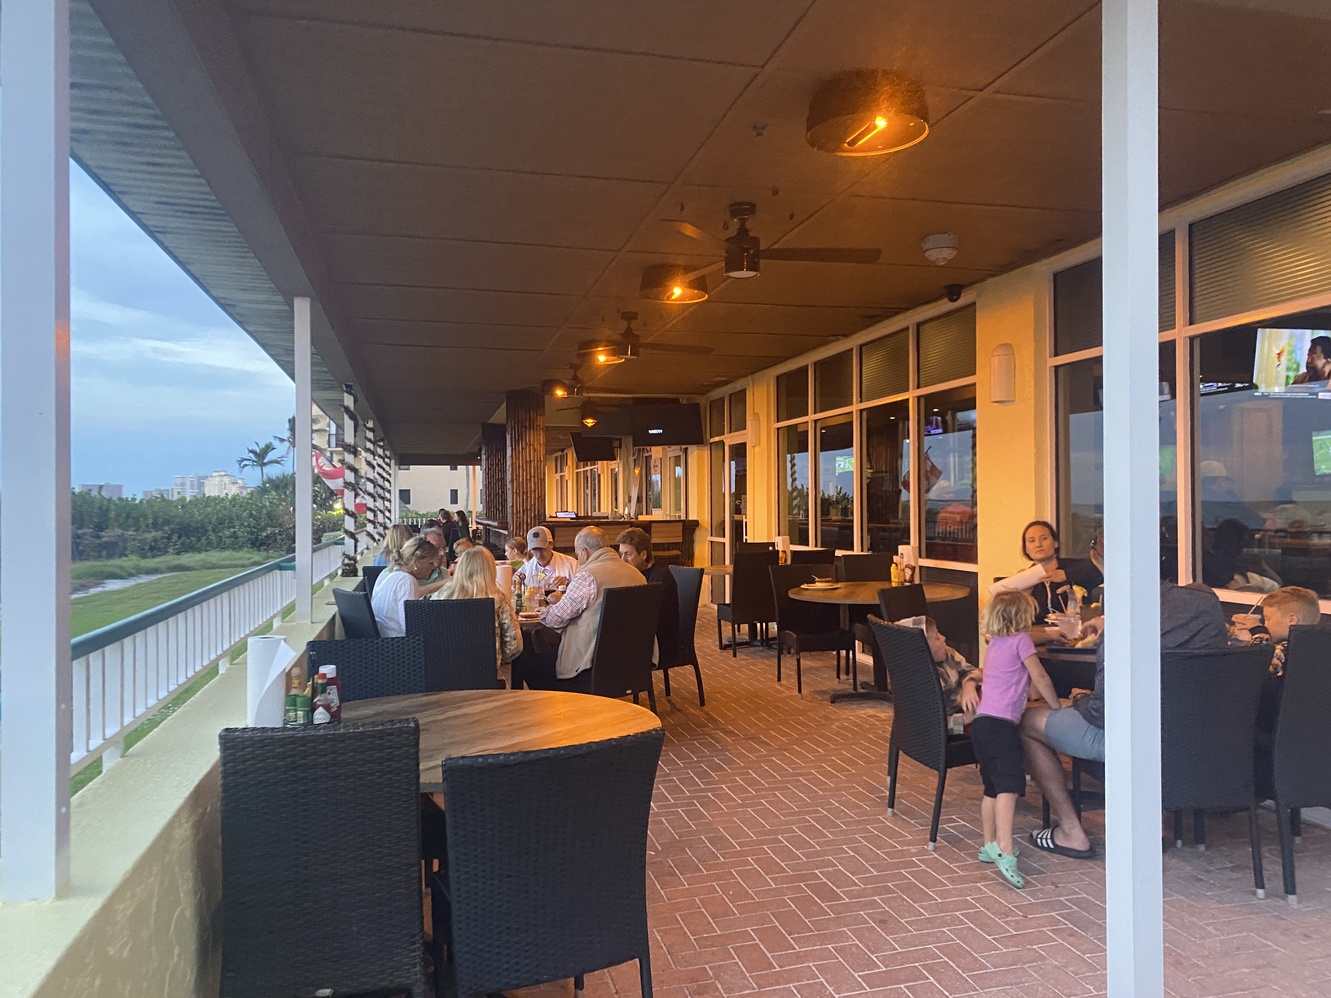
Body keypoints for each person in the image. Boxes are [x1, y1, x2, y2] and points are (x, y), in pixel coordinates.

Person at [1020, 573, 1228, 858]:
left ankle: (1070, 832)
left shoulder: (1123, 626)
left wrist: (1080, 699)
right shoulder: (1206, 606)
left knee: (1027, 722)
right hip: (1190, 733)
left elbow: (1102, 713)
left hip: (1129, 738)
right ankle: (1158, 824)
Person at [969, 591, 1061, 889]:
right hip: (1001, 726)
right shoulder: (1021, 640)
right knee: (1009, 786)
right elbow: (1041, 677)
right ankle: (1005, 852)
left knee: (992, 787)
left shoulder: (994, 644)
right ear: (1022, 617)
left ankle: (988, 844)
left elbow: (1019, 684)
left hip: (983, 725)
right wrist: (1057, 707)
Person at [509, 527, 645, 691]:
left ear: (585, 552)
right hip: (633, 660)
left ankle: (556, 705)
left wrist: (548, 609)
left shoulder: (588, 577)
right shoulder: (638, 575)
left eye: (578, 554)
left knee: (525, 659)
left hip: (590, 663)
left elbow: (555, 619)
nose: (578, 559)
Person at [433, 546, 522, 681]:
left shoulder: (439, 596)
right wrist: (497, 656)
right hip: (484, 672)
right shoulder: (497, 600)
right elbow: (514, 645)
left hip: (442, 671)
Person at [993, 521, 1103, 621]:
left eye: (1044, 538)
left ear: (1055, 543)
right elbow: (1010, 620)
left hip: (1074, 632)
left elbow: (1101, 572)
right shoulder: (1026, 578)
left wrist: (1065, 575)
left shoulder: (1075, 567)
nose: (1038, 544)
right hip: (1039, 636)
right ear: (1026, 549)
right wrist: (1022, 596)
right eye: (1032, 541)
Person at [617, 528, 679, 669]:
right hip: (646, 634)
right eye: (621, 554)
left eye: (628, 554)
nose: (623, 560)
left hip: (660, 642)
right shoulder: (635, 573)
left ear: (643, 554)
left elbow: (653, 618)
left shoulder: (660, 578)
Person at [897, 616, 980, 715]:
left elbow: (973, 671)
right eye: (937, 638)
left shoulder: (946, 653)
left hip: (963, 708)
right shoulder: (921, 682)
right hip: (948, 724)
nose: (943, 638)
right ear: (923, 649)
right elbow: (930, 723)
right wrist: (963, 721)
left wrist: (969, 683)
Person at [370, 536, 439, 637]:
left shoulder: (386, 572)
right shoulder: (406, 581)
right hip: (399, 645)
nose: (434, 567)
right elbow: (411, 627)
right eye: (430, 563)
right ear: (415, 561)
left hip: (381, 641)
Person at [516, 526, 578, 590]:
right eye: (535, 549)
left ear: (551, 544)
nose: (539, 554)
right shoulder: (525, 569)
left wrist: (568, 585)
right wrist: (516, 584)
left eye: (542, 549)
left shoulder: (571, 565)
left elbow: (584, 592)